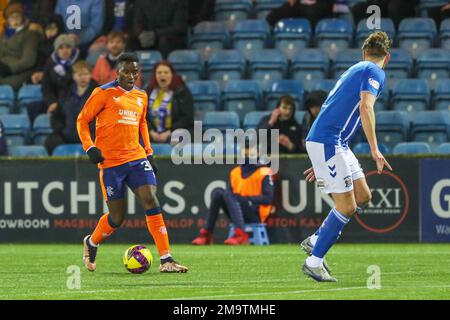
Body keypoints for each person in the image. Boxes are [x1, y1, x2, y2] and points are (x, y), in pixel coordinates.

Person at [77, 52, 188, 273]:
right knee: (117, 218)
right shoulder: (103, 93)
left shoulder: (141, 96)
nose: (131, 75)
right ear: (117, 72)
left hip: (136, 158)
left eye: (135, 72)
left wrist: (149, 153)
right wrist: (90, 147)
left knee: (150, 199)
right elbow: (82, 120)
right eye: (126, 71)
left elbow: (142, 124)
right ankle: (91, 241)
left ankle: (166, 260)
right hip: (110, 163)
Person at [300, 31, 392, 282]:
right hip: (329, 141)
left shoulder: (355, 69)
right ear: (388, 57)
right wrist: (374, 149)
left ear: (363, 53)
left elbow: (338, 110)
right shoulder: (375, 72)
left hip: (334, 142)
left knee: (364, 196)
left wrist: (320, 157)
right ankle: (314, 261)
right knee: (347, 206)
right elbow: (366, 107)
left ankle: (316, 239)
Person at [191, 140, 275, 246]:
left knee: (229, 195)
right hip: (236, 211)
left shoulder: (264, 171)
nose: (247, 155)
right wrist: (238, 199)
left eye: (250, 152)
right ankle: (207, 234)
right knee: (218, 193)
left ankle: (240, 234)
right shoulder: (235, 172)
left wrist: (246, 199)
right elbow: (229, 197)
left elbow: (268, 198)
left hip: (256, 212)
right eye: (245, 152)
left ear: (258, 154)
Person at [45, 60, 97, 154]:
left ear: (90, 75)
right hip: (67, 134)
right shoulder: (65, 93)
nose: (83, 78)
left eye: (85, 74)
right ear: (74, 76)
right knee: (51, 142)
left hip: (90, 135)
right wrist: (61, 129)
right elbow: (57, 115)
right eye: (79, 75)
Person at [27, 34, 80, 123]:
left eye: (68, 47)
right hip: (53, 101)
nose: (65, 50)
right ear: (57, 50)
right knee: (32, 107)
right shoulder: (50, 62)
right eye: (61, 48)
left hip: (69, 103)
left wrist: (58, 104)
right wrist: (51, 102)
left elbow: (74, 88)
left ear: (72, 49)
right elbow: (46, 87)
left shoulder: (78, 63)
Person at [146, 61, 193, 144]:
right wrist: (151, 131)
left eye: (166, 72)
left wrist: (169, 132)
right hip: (153, 133)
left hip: (175, 132)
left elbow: (187, 117)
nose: (162, 75)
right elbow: (143, 116)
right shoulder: (149, 91)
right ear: (155, 76)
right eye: (159, 73)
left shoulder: (182, 92)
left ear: (172, 75)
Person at [0, 2, 41, 90]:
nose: (14, 19)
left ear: (22, 17)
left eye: (17, 16)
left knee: (7, 85)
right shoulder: (3, 34)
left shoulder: (30, 33)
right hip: (2, 70)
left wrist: (10, 69)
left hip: (19, 72)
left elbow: (29, 60)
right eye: (11, 17)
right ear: (7, 20)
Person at [31, 16, 64, 85]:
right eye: (47, 28)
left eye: (53, 28)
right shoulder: (41, 45)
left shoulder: (64, 45)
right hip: (43, 77)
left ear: (59, 28)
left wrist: (44, 74)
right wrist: (36, 73)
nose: (50, 31)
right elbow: (39, 64)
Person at [266, 0, 333, 29]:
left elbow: (329, 6)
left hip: (321, 7)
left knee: (311, 13)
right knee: (273, 15)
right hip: (301, 6)